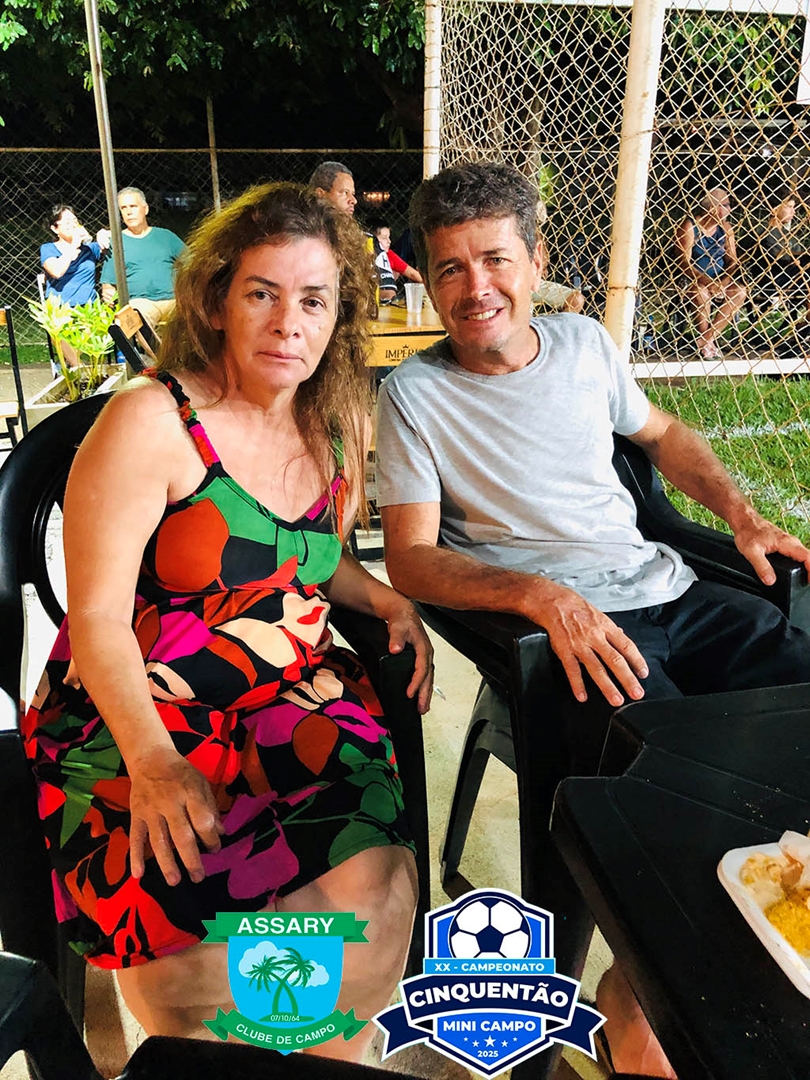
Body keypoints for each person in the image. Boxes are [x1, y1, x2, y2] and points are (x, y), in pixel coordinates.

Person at [375, 160, 810, 1077]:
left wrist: (741, 516)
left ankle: (739, 942)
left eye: (495, 259)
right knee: (683, 787)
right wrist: (539, 594)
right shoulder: (413, 394)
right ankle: (636, 1000)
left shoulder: (583, 344)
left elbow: (665, 436)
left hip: (674, 591)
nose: (475, 287)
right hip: (569, 635)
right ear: (429, 280)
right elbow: (410, 557)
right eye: (450, 267)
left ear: (536, 264)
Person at [23, 182, 433, 1061]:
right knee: (175, 931)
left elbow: (310, 557)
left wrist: (384, 598)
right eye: (262, 293)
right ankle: (220, 1050)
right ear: (216, 302)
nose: (289, 322)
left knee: (373, 905)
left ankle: (304, 1051)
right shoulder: (151, 421)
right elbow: (96, 617)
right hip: (143, 705)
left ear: (339, 317)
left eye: (313, 300)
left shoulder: (333, 420)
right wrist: (153, 761)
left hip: (292, 687)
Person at [675, 186, 747, 359]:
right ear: (712, 208)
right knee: (700, 292)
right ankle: (706, 343)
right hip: (693, 278)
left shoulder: (726, 228)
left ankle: (707, 339)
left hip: (719, 279)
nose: (730, 209)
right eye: (726, 205)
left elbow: (732, 261)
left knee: (740, 291)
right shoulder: (690, 226)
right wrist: (708, 282)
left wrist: (723, 282)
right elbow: (683, 262)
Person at [100, 186, 185, 330]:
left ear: (145, 209)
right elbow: (108, 285)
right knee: (135, 320)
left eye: (133, 206)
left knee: (193, 315)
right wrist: (109, 295)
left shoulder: (165, 236)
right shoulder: (116, 242)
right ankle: (151, 345)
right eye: (124, 208)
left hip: (174, 300)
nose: (129, 212)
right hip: (141, 303)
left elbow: (192, 262)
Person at [40, 204, 111, 367]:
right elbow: (57, 271)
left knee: (100, 327)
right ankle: (79, 368)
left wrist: (103, 233)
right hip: (60, 308)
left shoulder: (90, 249)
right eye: (66, 222)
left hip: (88, 308)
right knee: (58, 330)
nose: (72, 225)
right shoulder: (48, 249)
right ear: (55, 229)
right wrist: (73, 246)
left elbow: (119, 240)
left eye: (75, 220)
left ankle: (88, 370)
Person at [757, 193, 810, 312]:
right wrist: (796, 260)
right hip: (773, 278)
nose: (794, 212)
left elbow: (798, 257)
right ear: (775, 209)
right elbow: (775, 258)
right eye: (789, 207)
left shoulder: (790, 236)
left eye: (794, 207)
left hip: (795, 277)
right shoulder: (765, 233)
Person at [532, 200, 585, 314]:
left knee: (576, 299)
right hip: (518, 282)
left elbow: (541, 255)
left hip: (533, 280)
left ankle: (553, 324)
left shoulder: (537, 233)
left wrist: (542, 267)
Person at [372, 223, 422, 302]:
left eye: (389, 237)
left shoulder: (390, 255)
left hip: (388, 301)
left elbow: (413, 274)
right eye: (384, 238)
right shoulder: (363, 256)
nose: (389, 241)